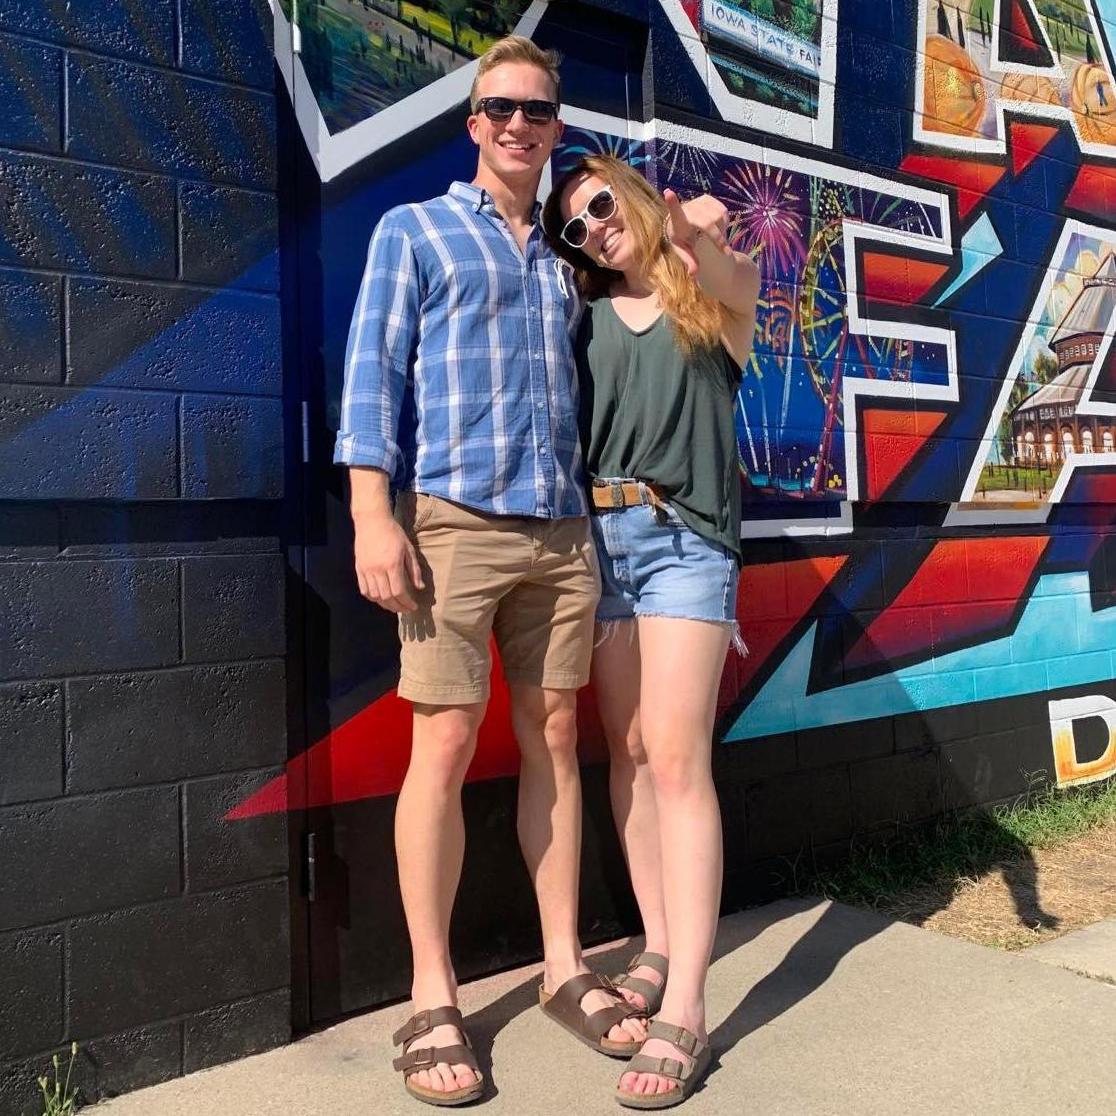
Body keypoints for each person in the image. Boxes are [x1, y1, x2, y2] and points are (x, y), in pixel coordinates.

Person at [335, 38, 647, 1108]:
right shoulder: (412, 231)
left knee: (557, 732)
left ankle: (564, 965)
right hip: (452, 526)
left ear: (558, 127)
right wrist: (374, 515)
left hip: (560, 532)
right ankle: (434, 995)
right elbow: (372, 376)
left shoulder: (571, 258)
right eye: (501, 106)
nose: (520, 123)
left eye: (539, 109)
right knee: (448, 739)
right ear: (473, 123)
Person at [543, 155, 760, 1108]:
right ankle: (659, 944)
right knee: (627, 755)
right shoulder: (581, 317)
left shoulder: (713, 303)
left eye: (598, 205)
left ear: (626, 191)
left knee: (677, 758)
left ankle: (691, 1009)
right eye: (574, 229)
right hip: (601, 544)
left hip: (684, 543)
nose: (591, 230)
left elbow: (724, 262)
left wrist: (671, 219)